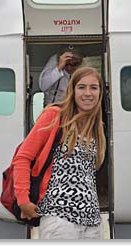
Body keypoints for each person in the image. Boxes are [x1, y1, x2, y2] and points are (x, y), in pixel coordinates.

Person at [13, 67, 106, 239]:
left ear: (100, 92)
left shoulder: (96, 127)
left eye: (94, 87)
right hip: (59, 218)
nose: (88, 93)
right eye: (81, 87)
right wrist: (23, 200)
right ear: (72, 90)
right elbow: (23, 158)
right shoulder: (55, 115)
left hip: (92, 221)